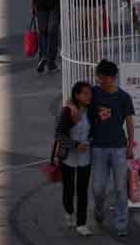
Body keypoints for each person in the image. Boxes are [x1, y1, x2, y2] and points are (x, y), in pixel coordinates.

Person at [89, 60, 135, 237]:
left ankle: (121, 223)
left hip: (118, 148)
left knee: (120, 188)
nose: (100, 80)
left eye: (103, 77)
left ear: (112, 78)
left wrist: (130, 145)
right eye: (98, 77)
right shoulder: (93, 93)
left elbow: (130, 123)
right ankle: (99, 209)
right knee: (98, 187)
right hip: (98, 148)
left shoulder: (124, 97)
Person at [55, 81, 93, 235]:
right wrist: (76, 145)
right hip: (69, 157)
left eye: (90, 93)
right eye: (85, 93)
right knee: (69, 190)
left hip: (85, 157)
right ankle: (69, 211)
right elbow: (58, 134)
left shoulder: (90, 110)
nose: (89, 96)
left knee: (83, 190)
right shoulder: (68, 111)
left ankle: (81, 223)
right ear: (77, 95)